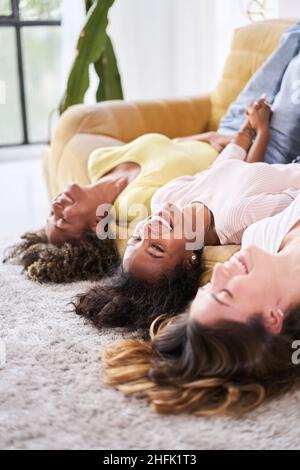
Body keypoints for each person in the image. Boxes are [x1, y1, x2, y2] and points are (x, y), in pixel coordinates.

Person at [74, 98, 300, 332]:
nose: (148, 230)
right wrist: (263, 130)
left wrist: (249, 128)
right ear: (190, 260)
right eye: (157, 248)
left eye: (137, 239)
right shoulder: (236, 220)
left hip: (251, 135)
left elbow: (229, 169)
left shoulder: (166, 196)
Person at [102, 192, 300, 417]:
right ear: (271, 318)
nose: (220, 270)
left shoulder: (258, 238)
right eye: (225, 293)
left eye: (209, 287)